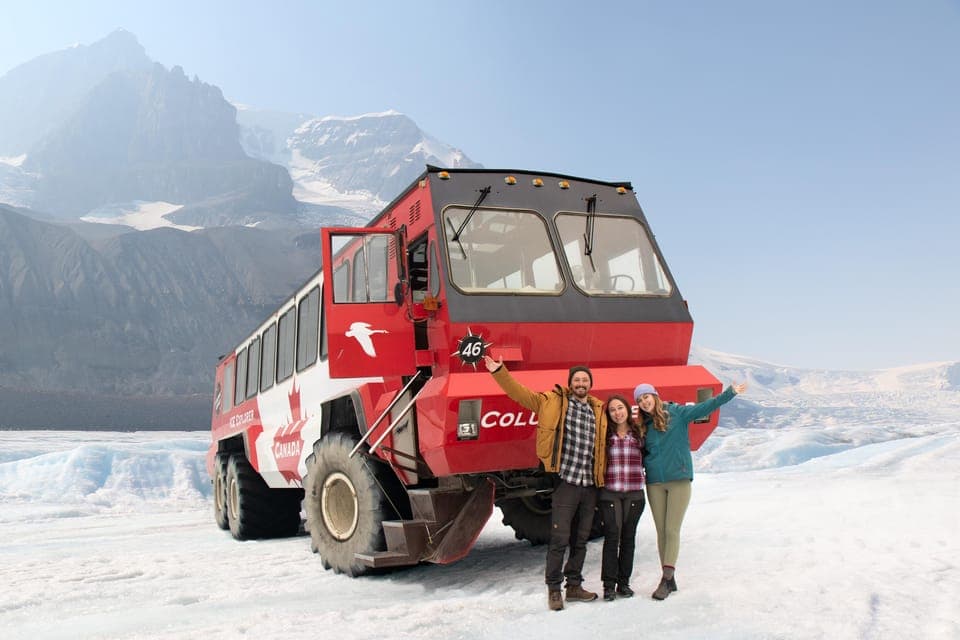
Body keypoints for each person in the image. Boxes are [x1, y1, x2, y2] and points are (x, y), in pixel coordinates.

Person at [483, 354, 607, 611]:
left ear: (590, 384)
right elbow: (519, 394)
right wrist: (499, 371)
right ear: (570, 382)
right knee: (559, 539)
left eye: (585, 380)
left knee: (581, 540)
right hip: (566, 483)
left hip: (589, 485)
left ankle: (574, 586)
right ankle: (554, 590)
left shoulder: (598, 409)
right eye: (577, 379)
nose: (581, 383)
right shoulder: (551, 402)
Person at [636, 380, 747, 600]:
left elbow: (705, 407)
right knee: (661, 532)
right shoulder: (643, 425)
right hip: (655, 483)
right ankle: (669, 576)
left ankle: (666, 579)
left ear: (655, 395)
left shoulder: (677, 413)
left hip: (679, 479)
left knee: (671, 530)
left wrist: (730, 393)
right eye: (639, 400)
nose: (644, 402)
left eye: (646, 396)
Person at [598, 394, 646, 601]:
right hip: (610, 492)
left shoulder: (639, 434)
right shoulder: (605, 435)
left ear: (628, 409)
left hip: (634, 491)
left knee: (628, 538)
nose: (617, 413)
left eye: (620, 408)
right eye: (612, 410)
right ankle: (609, 585)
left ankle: (623, 584)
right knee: (612, 536)